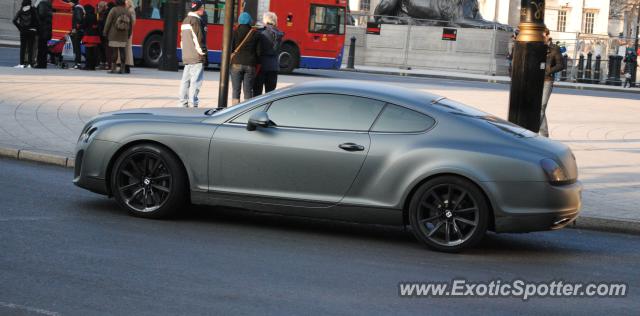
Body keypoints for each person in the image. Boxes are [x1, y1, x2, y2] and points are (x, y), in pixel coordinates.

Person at [178, 0, 207, 107]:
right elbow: (199, 39)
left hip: (187, 55)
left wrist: (185, 52)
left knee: (185, 80)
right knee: (196, 81)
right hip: (196, 56)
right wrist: (203, 54)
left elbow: (182, 40)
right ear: (198, 9)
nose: (203, 9)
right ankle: (193, 103)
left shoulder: (185, 20)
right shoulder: (196, 21)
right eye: (202, 7)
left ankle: (182, 103)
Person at [230, 12, 260, 105]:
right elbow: (259, 52)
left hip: (236, 64)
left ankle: (234, 110)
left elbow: (230, 48)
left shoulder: (234, 32)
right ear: (249, 21)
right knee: (248, 90)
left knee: (236, 90)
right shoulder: (255, 33)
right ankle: (247, 110)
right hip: (250, 65)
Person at [539, 29, 564, 138]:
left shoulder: (554, 48)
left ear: (548, 35)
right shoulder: (538, 46)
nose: (541, 37)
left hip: (547, 80)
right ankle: (544, 134)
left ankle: (541, 134)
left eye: (543, 35)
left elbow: (561, 65)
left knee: (542, 106)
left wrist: (548, 71)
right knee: (539, 108)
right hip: (536, 80)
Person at [253, 12, 283, 96]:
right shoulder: (279, 34)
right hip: (274, 67)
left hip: (261, 66)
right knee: (270, 95)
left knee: (257, 94)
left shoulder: (261, 32)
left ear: (265, 20)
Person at [103, 0, 131, 74]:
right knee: (122, 51)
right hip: (124, 34)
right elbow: (130, 25)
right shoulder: (127, 11)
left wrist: (105, 32)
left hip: (114, 34)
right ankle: (122, 69)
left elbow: (108, 22)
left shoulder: (114, 10)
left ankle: (113, 68)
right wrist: (129, 34)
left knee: (114, 51)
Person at [13, 0, 39, 68]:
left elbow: (14, 20)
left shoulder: (21, 10)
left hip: (23, 31)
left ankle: (21, 64)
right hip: (32, 31)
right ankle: (30, 64)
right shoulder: (33, 10)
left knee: (23, 48)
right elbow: (37, 20)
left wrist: (20, 28)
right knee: (31, 48)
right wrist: (35, 28)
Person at [81, 4, 100, 70]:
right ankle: (93, 66)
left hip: (88, 36)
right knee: (94, 52)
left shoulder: (87, 16)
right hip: (95, 36)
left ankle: (88, 65)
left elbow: (83, 25)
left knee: (88, 52)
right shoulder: (96, 16)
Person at [35, 0, 52, 68]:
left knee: (41, 47)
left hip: (42, 29)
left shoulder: (42, 3)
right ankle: (43, 63)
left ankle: (40, 64)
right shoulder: (49, 4)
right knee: (44, 47)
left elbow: (41, 14)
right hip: (47, 29)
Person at [70, 0, 85, 69]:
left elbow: (79, 19)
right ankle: (78, 62)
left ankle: (77, 63)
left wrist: (75, 28)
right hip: (80, 30)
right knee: (78, 47)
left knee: (76, 47)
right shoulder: (80, 8)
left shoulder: (77, 8)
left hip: (77, 31)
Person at [122, 0, 136, 73]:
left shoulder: (131, 10)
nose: (125, 3)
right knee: (125, 49)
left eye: (126, 2)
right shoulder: (127, 9)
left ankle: (127, 66)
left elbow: (133, 21)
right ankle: (124, 65)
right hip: (126, 31)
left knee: (127, 49)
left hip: (128, 32)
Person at [96, 1, 109, 69]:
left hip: (103, 33)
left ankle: (105, 63)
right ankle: (103, 62)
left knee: (104, 48)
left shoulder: (105, 14)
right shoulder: (99, 13)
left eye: (99, 6)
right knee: (102, 48)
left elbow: (104, 23)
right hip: (101, 33)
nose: (98, 7)